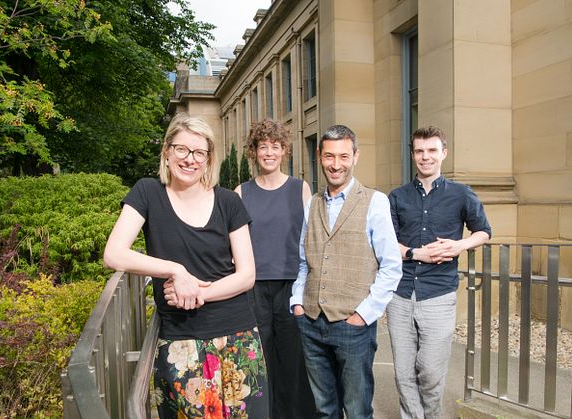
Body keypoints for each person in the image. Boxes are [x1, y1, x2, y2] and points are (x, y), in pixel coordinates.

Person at [103, 113, 268, 418]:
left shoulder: (229, 202)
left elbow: (246, 275)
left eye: (199, 152)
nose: (189, 159)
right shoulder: (148, 193)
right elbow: (114, 253)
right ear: (166, 150)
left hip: (236, 336)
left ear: (208, 159)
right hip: (180, 340)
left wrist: (197, 292)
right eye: (181, 149)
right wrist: (176, 271)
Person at [290, 124, 403, 419]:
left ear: (355, 157)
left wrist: (363, 315)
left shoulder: (375, 202)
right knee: (325, 409)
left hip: (353, 325)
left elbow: (391, 267)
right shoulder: (312, 204)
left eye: (343, 156)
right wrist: (298, 303)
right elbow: (304, 261)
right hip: (311, 321)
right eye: (329, 156)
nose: (335, 164)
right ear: (320, 156)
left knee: (357, 410)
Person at [387, 126, 491, 419]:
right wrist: (413, 253)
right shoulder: (397, 196)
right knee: (404, 373)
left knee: (430, 371)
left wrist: (460, 245)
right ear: (413, 155)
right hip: (401, 294)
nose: (425, 157)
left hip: (439, 294)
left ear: (443, 153)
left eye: (432, 150)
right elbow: (385, 242)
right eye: (419, 151)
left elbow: (484, 231)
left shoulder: (461, 194)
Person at [234, 119, 316, 419]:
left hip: (292, 285)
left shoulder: (300, 189)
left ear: (285, 151)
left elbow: (311, 239)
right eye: (263, 147)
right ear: (254, 152)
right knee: (259, 358)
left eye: (275, 147)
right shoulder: (241, 192)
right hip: (253, 286)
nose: (269, 152)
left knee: (293, 359)